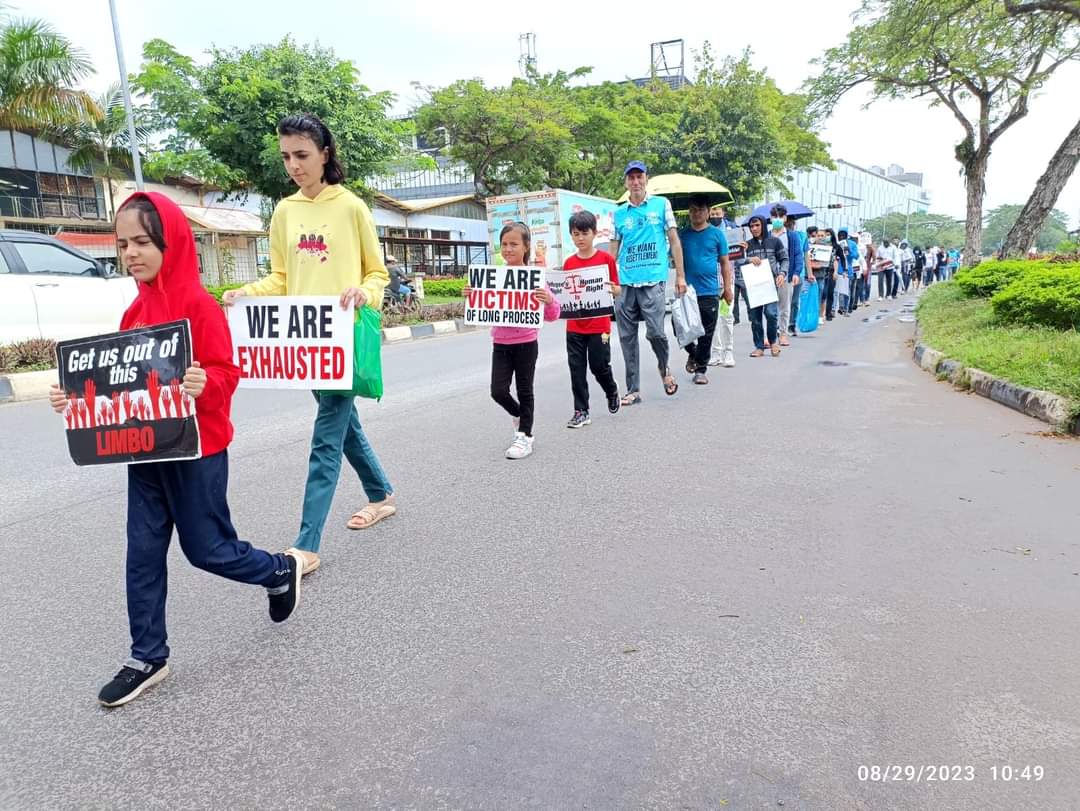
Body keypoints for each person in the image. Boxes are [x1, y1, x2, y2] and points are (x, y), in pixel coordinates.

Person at [50, 193, 303, 708]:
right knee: (141, 554)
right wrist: (73, 397)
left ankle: (278, 570)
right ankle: (147, 656)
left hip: (198, 452)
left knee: (206, 550)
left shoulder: (199, 306)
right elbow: (119, 385)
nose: (131, 253)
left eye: (142, 241)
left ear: (171, 242)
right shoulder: (133, 312)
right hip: (145, 453)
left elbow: (229, 373)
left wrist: (203, 381)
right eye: (122, 244)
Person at [223, 113, 394, 576]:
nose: (294, 165)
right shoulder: (285, 211)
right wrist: (246, 295)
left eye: (302, 155)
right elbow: (281, 277)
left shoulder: (351, 207)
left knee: (325, 437)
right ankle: (381, 495)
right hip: (304, 343)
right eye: (286, 157)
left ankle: (307, 544)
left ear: (325, 154)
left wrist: (364, 292)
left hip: (342, 337)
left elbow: (377, 273)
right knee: (344, 425)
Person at [466, 222, 560, 457]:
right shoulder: (493, 277)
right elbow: (483, 305)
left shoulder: (535, 278)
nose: (508, 249)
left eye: (514, 244)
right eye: (504, 244)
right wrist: (473, 294)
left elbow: (553, 315)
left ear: (526, 247)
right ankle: (520, 415)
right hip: (500, 343)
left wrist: (547, 299)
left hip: (527, 344)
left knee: (525, 389)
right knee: (498, 391)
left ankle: (525, 436)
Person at [610, 161, 687, 404]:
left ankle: (664, 369)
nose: (635, 182)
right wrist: (609, 278)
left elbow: (674, 241)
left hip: (653, 278)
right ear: (626, 182)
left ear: (646, 179)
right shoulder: (620, 213)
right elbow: (614, 247)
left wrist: (681, 276)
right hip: (625, 282)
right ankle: (633, 389)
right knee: (626, 337)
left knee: (655, 332)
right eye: (630, 178)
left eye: (639, 177)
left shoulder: (661, 205)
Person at [562, 210, 621, 427]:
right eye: (575, 234)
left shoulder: (605, 260)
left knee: (599, 365)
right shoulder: (568, 263)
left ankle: (611, 389)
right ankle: (581, 410)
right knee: (576, 368)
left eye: (584, 233)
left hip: (599, 325)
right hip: (575, 325)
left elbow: (618, 289)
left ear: (594, 233)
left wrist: (611, 289)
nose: (580, 238)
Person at [679, 195, 733, 384]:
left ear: (708, 212)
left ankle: (701, 370)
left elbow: (725, 263)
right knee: (679, 327)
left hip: (709, 291)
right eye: (692, 210)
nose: (696, 213)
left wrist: (727, 288)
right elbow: (674, 258)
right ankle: (693, 353)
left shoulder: (717, 234)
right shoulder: (682, 235)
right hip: (686, 291)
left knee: (706, 332)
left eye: (700, 210)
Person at [741, 214, 788, 357]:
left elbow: (785, 259)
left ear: (763, 225)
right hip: (752, 286)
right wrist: (747, 257)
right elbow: (736, 262)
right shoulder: (747, 245)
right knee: (755, 318)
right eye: (751, 226)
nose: (754, 229)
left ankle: (773, 342)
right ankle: (759, 346)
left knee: (771, 314)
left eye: (757, 225)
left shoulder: (775, 242)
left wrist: (782, 274)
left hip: (770, 285)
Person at [769, 209, 794, 346]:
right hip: (768, 275)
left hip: (785, 276)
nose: (777, 219)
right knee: (768, 308)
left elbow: (796, 256)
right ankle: (768, 335)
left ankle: (783, 333)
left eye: (780, 216)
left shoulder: (791, 236)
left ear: (785, 218)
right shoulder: (766, 235)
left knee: (784, 306)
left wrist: (795, 273)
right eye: (774, 216)